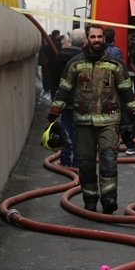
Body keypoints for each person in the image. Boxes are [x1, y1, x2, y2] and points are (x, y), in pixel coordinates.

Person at [48, 24, 135, 213]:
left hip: (109, 122)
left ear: (104, 39)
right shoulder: (75, 64)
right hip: (83, 124)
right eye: (93, 37)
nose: (97, 40)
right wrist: (53, 115)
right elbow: (63, 90)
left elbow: (126, 91)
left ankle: (109, 199)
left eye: (99, 37)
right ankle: (90, 200)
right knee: (86, 164)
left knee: (108, 161)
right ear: (87, 39)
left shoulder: (115, 64)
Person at [52, 29, 85, 168]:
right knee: (79, 132)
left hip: (65, 100)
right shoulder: (84, 57)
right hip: (80, 101)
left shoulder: (60, 55)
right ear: (83, 42)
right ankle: (76, 161)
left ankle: (65, 159)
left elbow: (55, 76)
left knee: (65, 129)